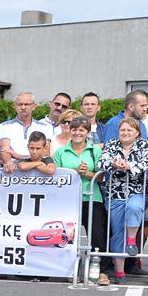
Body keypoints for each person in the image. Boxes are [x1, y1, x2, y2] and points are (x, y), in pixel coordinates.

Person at [99, 117, 148, 285]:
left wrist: (129, 166)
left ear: (137, 132)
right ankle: (120, 271)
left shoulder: (145, 145)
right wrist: (114, 165)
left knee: (134, 207)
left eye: (129, 130)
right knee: (117, 233)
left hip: (137, 191)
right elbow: (102, 162)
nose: (125, 133)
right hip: (115, 193)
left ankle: (132, 241)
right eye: (122, 130)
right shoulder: (111, 144)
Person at [53, 117, 106, 281]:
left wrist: (86, 173)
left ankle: (100, 271)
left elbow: (100, 176)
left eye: (81, 130)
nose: (77, 133)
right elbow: (55, 176)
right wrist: (75, 171)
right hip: (69, 201)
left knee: (97, 235)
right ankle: (70, 270)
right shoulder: (60, 152)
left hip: (92, 198)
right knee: (69, 236)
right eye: (74, 129)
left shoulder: (95, 151)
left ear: (88, 133)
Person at [0, 92, 55, 173]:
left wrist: (17, 156)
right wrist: (8, 162)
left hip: (40, 172)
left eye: (27, 104)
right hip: (14, 172)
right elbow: (4, 151)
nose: (23, 107)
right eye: (20, 104)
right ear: (14, 106)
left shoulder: (45, 126)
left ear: (34, 106)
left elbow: (45, 153)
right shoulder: (4, 126)